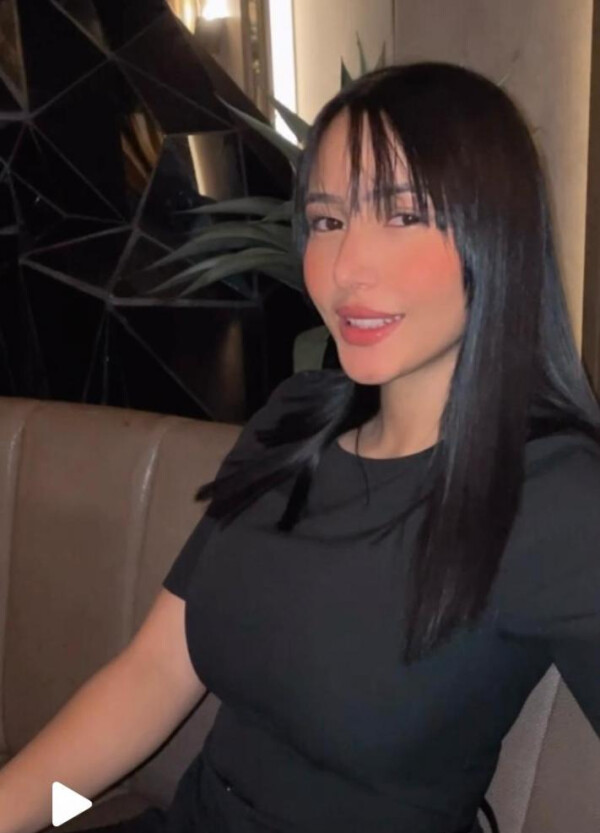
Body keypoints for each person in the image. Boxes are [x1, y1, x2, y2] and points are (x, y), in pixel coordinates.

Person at [3, 61, 600, 833]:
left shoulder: (553, 496)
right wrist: (18, 814)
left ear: (497, 233)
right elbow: (153, 675)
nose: (345, 267)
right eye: (326, 220)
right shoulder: (292, 422)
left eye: (402, 213)